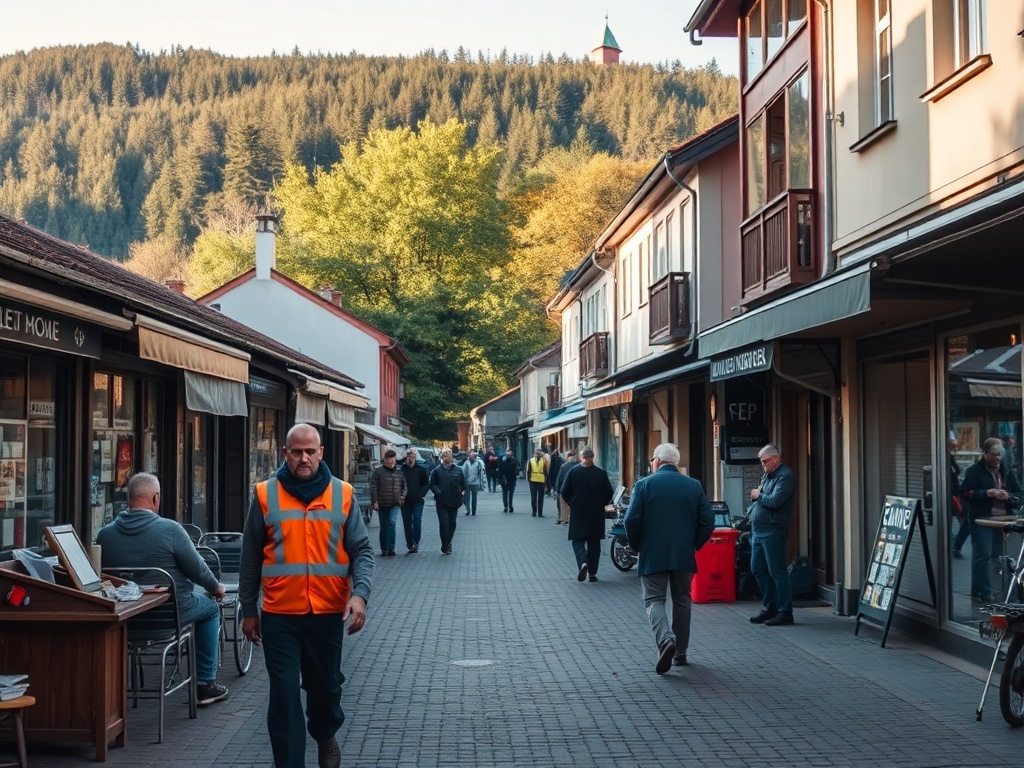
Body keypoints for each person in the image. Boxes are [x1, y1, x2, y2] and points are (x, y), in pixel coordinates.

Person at [238, 423, 373, 768]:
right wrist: (249, 609)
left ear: (321, 453)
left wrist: (360, 595)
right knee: (283, 694)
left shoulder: (343, 494)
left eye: (310, 451)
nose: (303, 458)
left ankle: (325, 734)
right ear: (285, 453)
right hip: (280, 615)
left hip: (327, 613)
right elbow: (250, 557)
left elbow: (362, 551)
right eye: (296, 452)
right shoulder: (265, 494)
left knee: (325, 688)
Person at [97, 472, 229, 706]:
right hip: (170, 615)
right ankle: (205, 684)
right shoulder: (171, 530)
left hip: (125, 619)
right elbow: (198, 571)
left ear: (128, 499)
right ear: (156, 498)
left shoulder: (105, 535)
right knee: (210, 608)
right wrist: (216, 588)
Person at [624, 443, 714, 674]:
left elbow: (631, 520)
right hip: (682, 553)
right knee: (682, 600)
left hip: (652, 553)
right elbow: (708, 521)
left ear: (657, 461)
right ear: (675, 462)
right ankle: (680, 653)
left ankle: (665, 640)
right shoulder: (693, 485)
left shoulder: (644, 485)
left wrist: (637, 545)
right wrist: (693, 543)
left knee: (654, 600)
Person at [960, 437, 1023, 602]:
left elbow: (1019, 493)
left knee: (997, 557)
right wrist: (986, 493)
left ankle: (989, 590)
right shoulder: (974, 471)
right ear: (986, 453)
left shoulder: (1006, 470)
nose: (998, 458)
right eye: (995, 454)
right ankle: (985, 591)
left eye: (1000, 454)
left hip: (1003, 519)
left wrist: (1009, 496)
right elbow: (965, 493)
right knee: (983, 555)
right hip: (982, 518)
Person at [748, 443, 797, 626]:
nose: (762, 465)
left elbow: (775, 501)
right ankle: (770, 607)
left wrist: (758, 495)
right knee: (758, 568)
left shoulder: (785, 476)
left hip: (773, 530)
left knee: (777, 571)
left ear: (775, 459)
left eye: (765, 461)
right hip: (758, 530)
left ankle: (785, 611)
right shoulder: (768, 476)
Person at [560, 446, 613, 583]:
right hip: (596, 514)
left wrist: (573, 503)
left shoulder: (573, 472)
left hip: (578, 513)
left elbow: (564, 491)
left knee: (577, 541)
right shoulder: (601, 473)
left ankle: (583, 562)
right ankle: (592, 573)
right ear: (593, 457)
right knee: (594, 544)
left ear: (582, 457)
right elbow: (609, 493)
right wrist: (602, 503)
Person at [370, 448, 406, 556]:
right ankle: (384, 548)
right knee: (384, 526)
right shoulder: (378, 471)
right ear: (385, 460)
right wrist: (375, 501)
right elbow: (373, 487)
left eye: (393, 460)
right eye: (389, 460)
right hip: (382, 503)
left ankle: (391, 547)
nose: (391, 462)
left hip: (395, 503)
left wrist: (402, 497)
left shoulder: (399, 472)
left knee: (392, 522)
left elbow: (404, 486)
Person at [430, 448, 466, 554]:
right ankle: (445, 545)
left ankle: (448, 542)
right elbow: (432, 484)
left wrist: (463, 492)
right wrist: (438, 492)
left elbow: (464, 484)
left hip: (454, 501)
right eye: (444, 455)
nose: (446, 456)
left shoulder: (458, 470)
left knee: (452, 523)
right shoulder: (437, 471)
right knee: (444, 523)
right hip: (442, 501)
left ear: (452, 457)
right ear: (442, 457)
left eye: (448, 454)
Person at [400, 447, 430, 554]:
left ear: (415, 458)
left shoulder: (421, 469)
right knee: (407, 522)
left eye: (413, 457)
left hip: (418, 500)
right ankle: (410, 544)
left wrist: (421, 494)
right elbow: (397, 484)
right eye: (409, 457)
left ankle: (415, 542)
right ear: (406, 458)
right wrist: (399, 496)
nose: (411, 459)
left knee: (417, 520)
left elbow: (426, 483)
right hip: (405, 501)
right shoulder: (402, 470)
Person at [949, 437, 969, 558]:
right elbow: (955, 472)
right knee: (954, 518)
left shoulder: (950, 458)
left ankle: (954, 543)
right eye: (953, 447)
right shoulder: (946, 458)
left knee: (960, 519)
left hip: (954, 494)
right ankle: (952, 543)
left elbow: (956, 470)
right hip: (950, 494)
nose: (955, 450)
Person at [553, 450, 578, 525]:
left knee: (564, 505)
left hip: (565, 488)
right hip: (575, 489)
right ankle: (570, 518)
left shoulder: (564, 466)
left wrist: (557, 490)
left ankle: (564, 518)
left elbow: (559, 479)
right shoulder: (579, 466)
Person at [462, 449, 486, 516]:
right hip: (467, 483)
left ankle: (473, 511)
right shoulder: (466, 463)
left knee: (474, 498)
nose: (471, 458)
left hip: (475, 483)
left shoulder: (478, 463)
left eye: (472, 456)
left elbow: (481, 472)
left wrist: (481, 481)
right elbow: (463, 472)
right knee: (466, 497)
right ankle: (468, 510)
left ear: (474, 457)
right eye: (470, 456)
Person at [527, 447, 549, 517]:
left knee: (539, 497)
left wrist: (546, 483)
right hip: (534, 480)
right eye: (537, 451)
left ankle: (538, 512)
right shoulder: (531, 460)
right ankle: (535, 512)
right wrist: (529, 479)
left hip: (540, 480)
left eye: (539, 451)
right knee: (535, 497)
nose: (537, 453)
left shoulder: (544, 460)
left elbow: (545, 472)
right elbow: (528, 471)